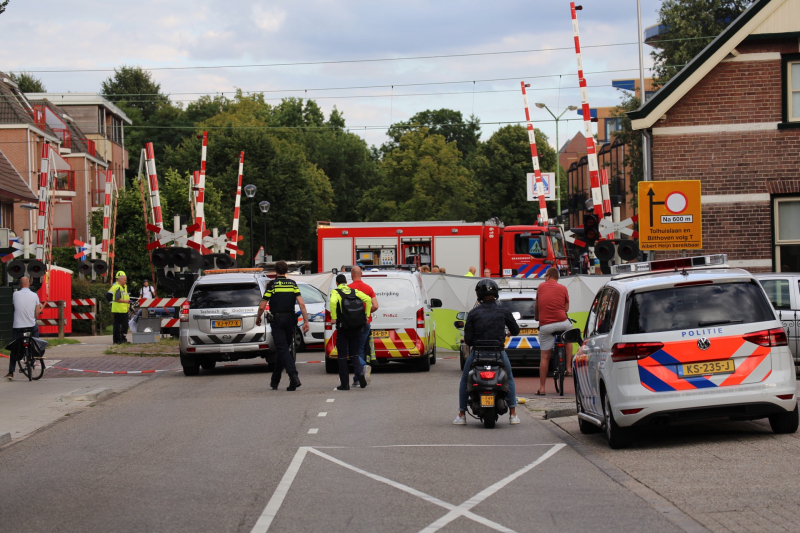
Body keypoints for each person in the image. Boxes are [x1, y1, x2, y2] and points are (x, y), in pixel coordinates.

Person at [454, 279, 521, 425]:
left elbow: (468, 340)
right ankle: (513, 415)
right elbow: (516, 330)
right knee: (509, 378)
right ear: (496, 293)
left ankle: (462, 415)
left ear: (478, 294)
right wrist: (508, 332)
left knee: (465, 379)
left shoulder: (473, 313)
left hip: (477, 353)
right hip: (498, 353)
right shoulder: (504, 311)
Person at [256, 261, 309, 391]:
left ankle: (294, 376)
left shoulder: (272, 285)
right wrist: (306, 321)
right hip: (291, 320)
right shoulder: (292, 284)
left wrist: (258, 318)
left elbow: (262, 306)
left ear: (276, 271)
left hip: (278, 321)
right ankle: (275, 381)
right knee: (283, 349)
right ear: (286, 271)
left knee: (282, 348)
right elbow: (302, 304)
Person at [329, 273, 372, 390]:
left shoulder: (335, 292)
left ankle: (345, 384)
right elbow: (368, 299)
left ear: (337, 283)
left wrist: (334, 317)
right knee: (354, 354)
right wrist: (367, 315)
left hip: (343, 328)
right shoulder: (354, 291)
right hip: (357, 327)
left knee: (342, 356)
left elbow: (332, 302)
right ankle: (360, 374)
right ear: (346, 282)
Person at [534, 267, 572, 396]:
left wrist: (537, 318)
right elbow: (566, 308)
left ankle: (542, 388)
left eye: (546, 276)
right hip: (562, 322)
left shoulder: (541, 287)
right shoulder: (563, 288)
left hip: (546, 326)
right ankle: (568, 367)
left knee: (545, 357)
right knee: (568, 336)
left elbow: (537, 305)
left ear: (549, 276)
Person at [5, 277, 44, 381]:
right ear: (29, 284)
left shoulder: (15, 294)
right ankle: (35, 354)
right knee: (36, 338)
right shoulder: (34, 295)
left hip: (18, 327)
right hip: (31, 326)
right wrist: (35, 316)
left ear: (20, 285)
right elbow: (37, 312)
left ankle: (11, 372)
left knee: (14, 347)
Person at [348, 266, 379, 387]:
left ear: (352, 275)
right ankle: (357, 378)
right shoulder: (368, 288)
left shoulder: (348, 288)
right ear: (361, 274)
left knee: (351, 350)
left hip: (351, 324)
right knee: (360, 349)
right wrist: (366, 313)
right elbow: (376, 306)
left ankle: (362, 367)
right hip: (365, 323)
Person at [107, 271, 131, 345]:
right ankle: (118, 340)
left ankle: (121, 339)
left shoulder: (123, 287)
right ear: (119, 279)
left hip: (123, 309)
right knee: (119, 325)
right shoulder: (117, 287)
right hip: (119, 309)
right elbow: (115, 298)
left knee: (123, 325)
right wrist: (126, 301)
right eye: (124, 279)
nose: (125, 281)